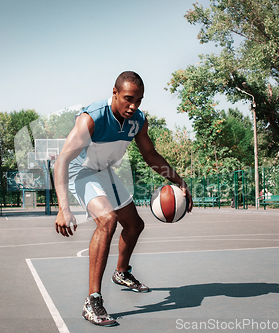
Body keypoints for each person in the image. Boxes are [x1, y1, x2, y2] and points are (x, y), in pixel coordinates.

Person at [53, 71, 193, 327]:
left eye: (138, 100)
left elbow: (150, 155)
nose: (133, 106)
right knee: (107, 220)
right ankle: (92, 300)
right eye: (128, 98)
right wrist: (63, 208)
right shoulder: (92, 118)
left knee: (135, 225)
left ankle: (122, 272)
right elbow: (62, 160)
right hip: (80, 171)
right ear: (115, 93)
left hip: (104, 170)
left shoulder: (137, 120)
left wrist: (179, 181)